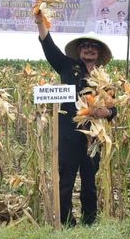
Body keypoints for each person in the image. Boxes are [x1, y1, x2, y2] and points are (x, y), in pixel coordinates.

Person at [35, 15, 117, 226]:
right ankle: (66, 221)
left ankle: (90, 221)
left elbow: (113, 109)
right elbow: (49, 47)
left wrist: (105, 113)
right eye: (85, 46)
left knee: (90, 181)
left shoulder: (104, 78)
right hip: (69, 132)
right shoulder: (67, 66)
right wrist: (39, 22)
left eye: (93, 47)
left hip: (94, 136)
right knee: (66, 179)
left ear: (98, 53)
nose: (89, 49)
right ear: (79, 51)